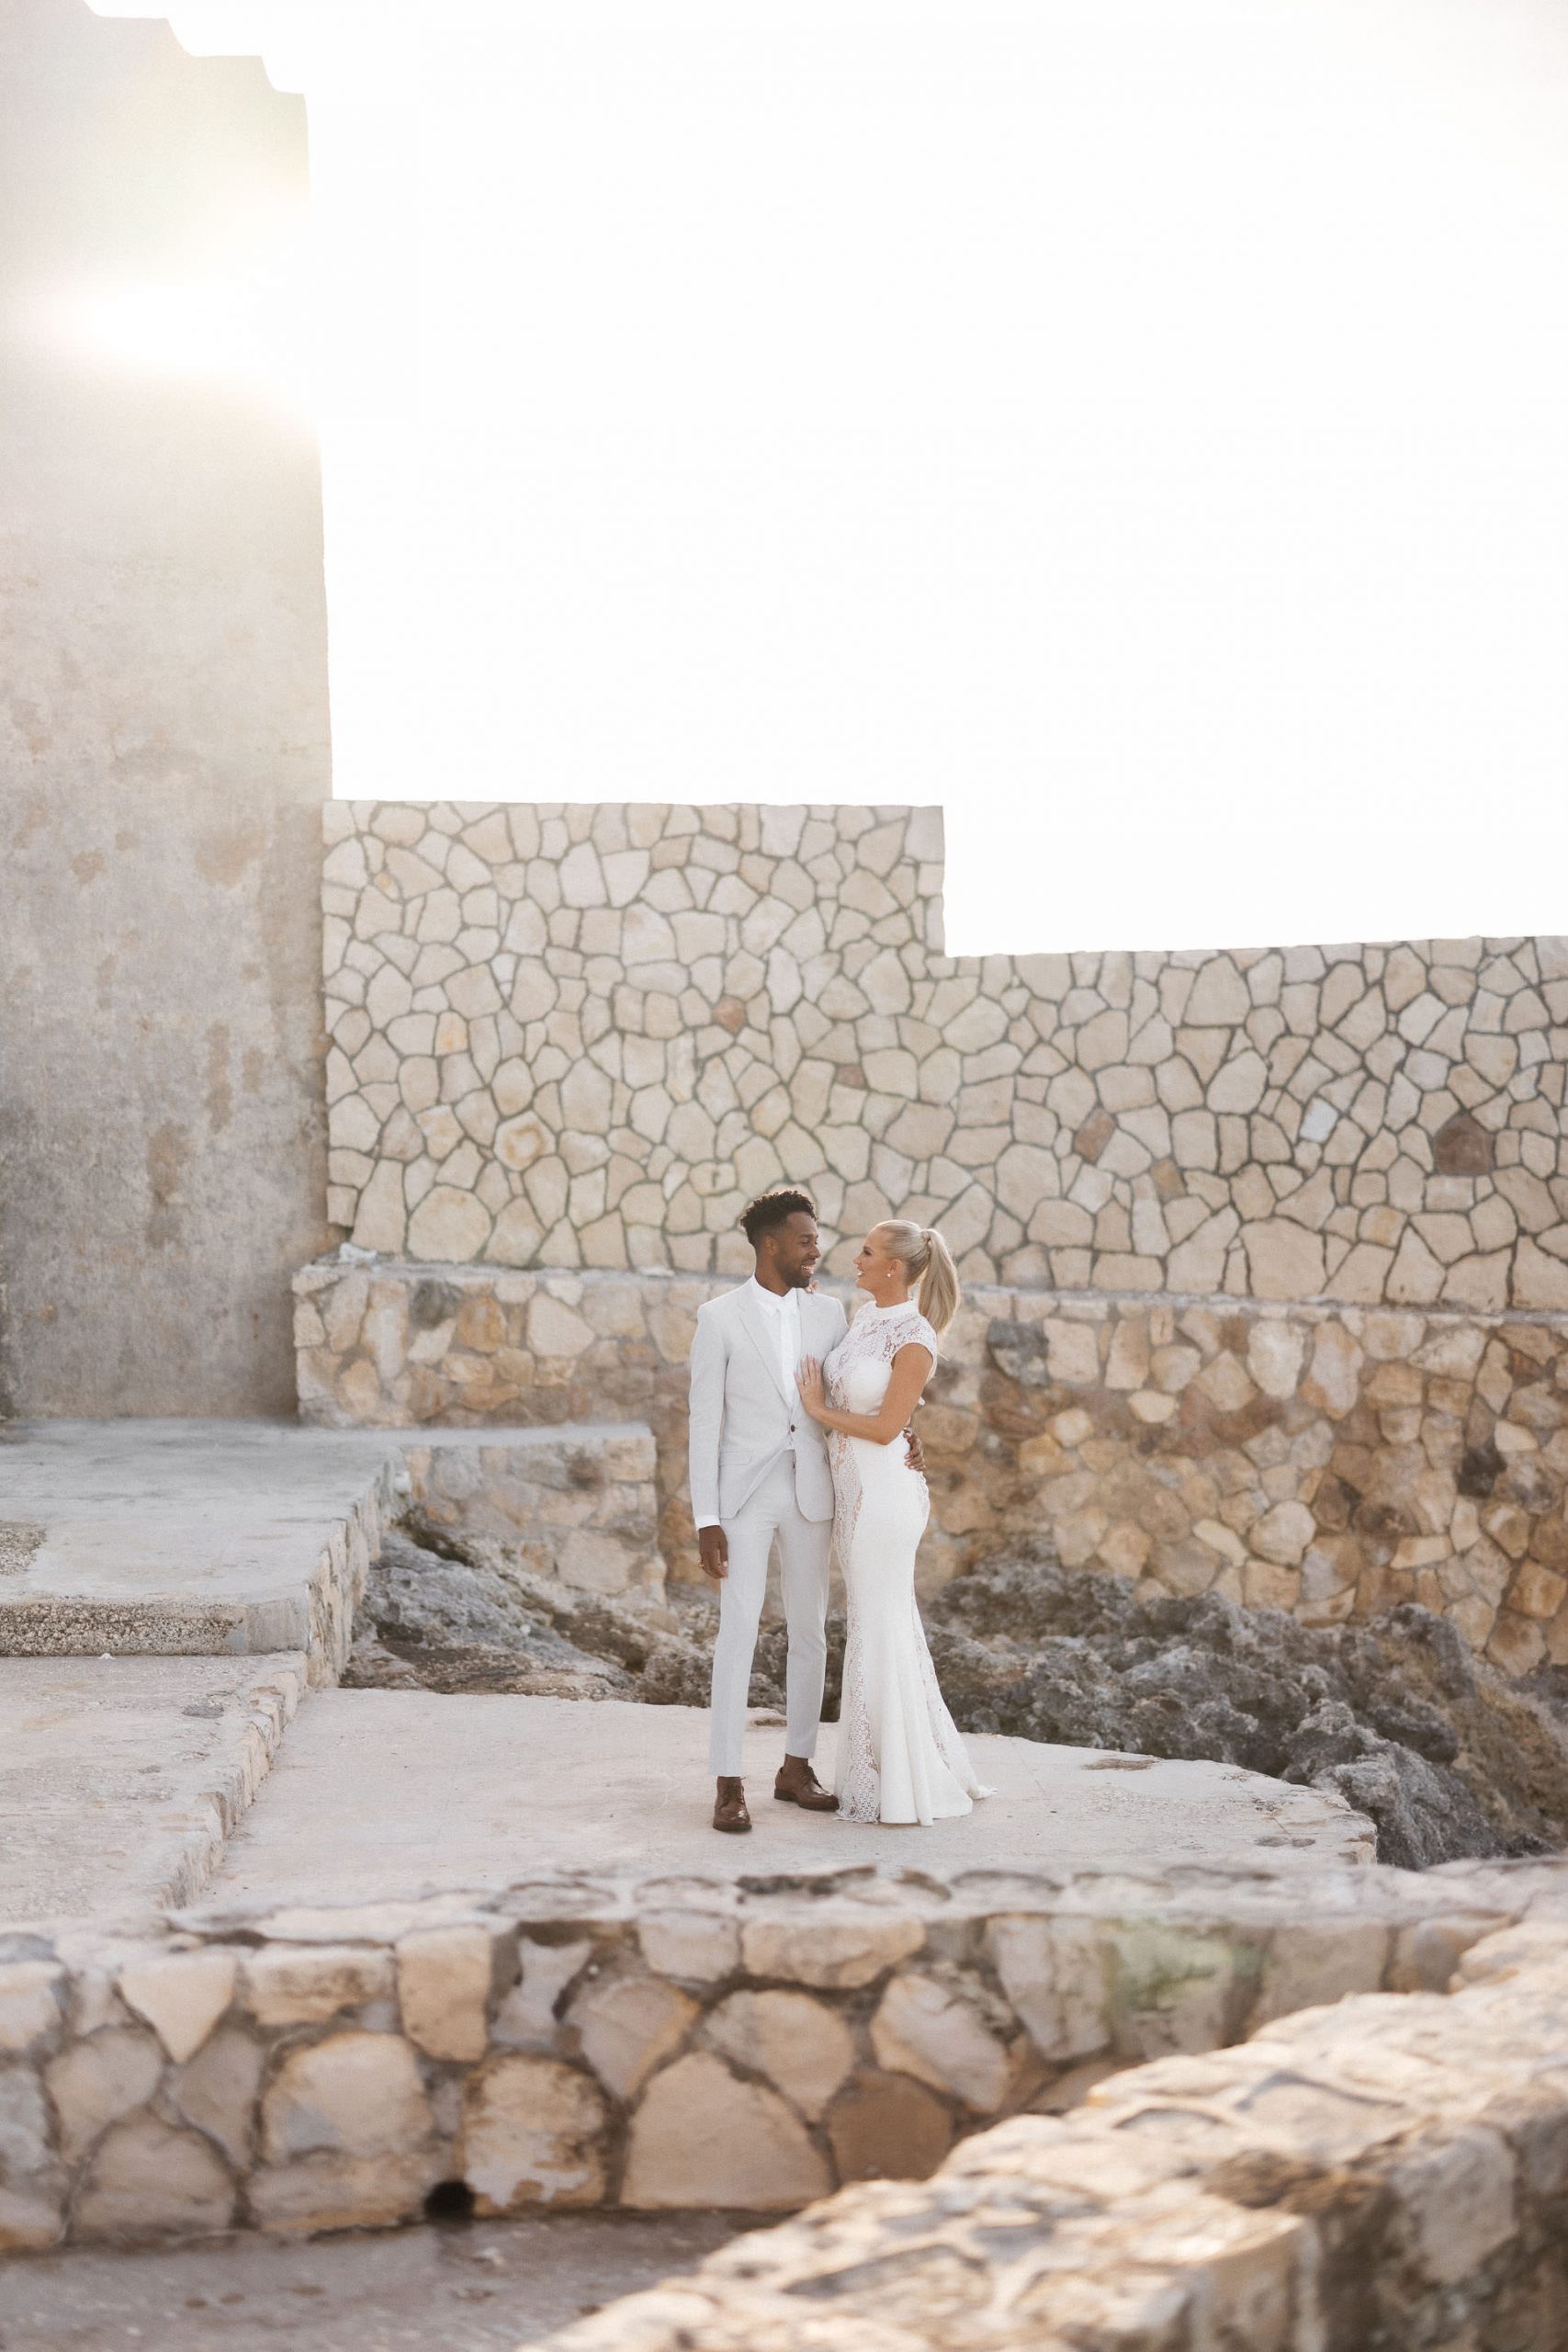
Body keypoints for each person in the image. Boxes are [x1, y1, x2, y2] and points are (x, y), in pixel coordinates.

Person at [687, 1189, 921, 1835]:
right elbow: (703, 1426)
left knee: (810, 1631)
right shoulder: (719, 1318)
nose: (816, 1251)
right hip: (741, 1500)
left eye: (815, 1241)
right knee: (737, 1631)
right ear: (770, 1245)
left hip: (812, 1494)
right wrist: (705, 1517)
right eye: (805, 1241)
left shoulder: (828, 1317)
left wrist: (905, 1435)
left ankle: (795, 1766)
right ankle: (727, 1780)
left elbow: (861, 1388)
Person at [795, 1220, 991, 1826]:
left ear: (895, 1268)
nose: (855, 1258)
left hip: (885, 1495)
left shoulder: (916, 1336)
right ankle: (883, 1769)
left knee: (877, 1624)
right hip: (855, 1489)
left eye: (868, 1251)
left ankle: (899, 1785)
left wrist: (818, 1410)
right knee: (877, 1623)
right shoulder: (862, 1318)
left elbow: (884, 1428)